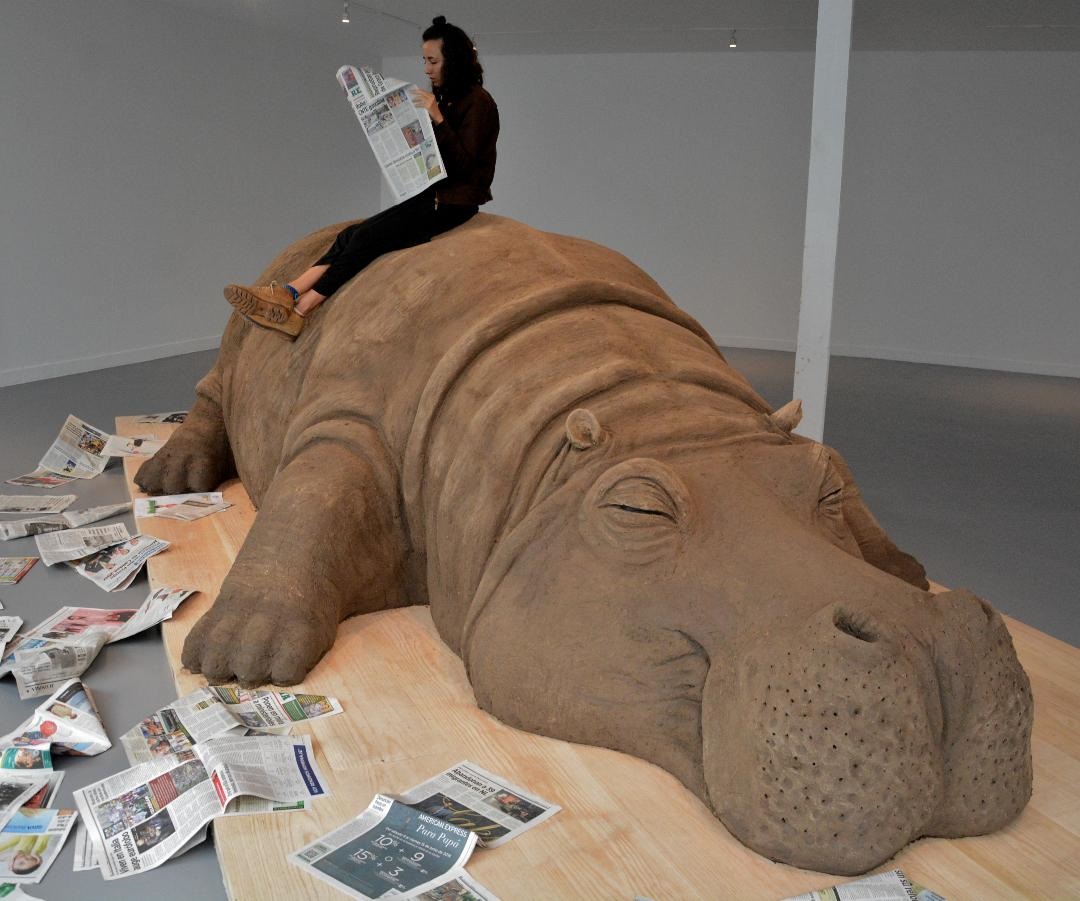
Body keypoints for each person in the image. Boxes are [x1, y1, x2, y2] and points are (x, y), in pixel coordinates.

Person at [226, 15, 499, 339]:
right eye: (424, 60)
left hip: (453, 203)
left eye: (433, 61)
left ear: (453, 60)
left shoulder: (479, 103)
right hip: (431, 195)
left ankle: (300, 311)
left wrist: (438, 119)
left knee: (365, 239)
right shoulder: (446, 97)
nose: (426, 69)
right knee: (350, 234)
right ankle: (288, 292)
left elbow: (466, 166)